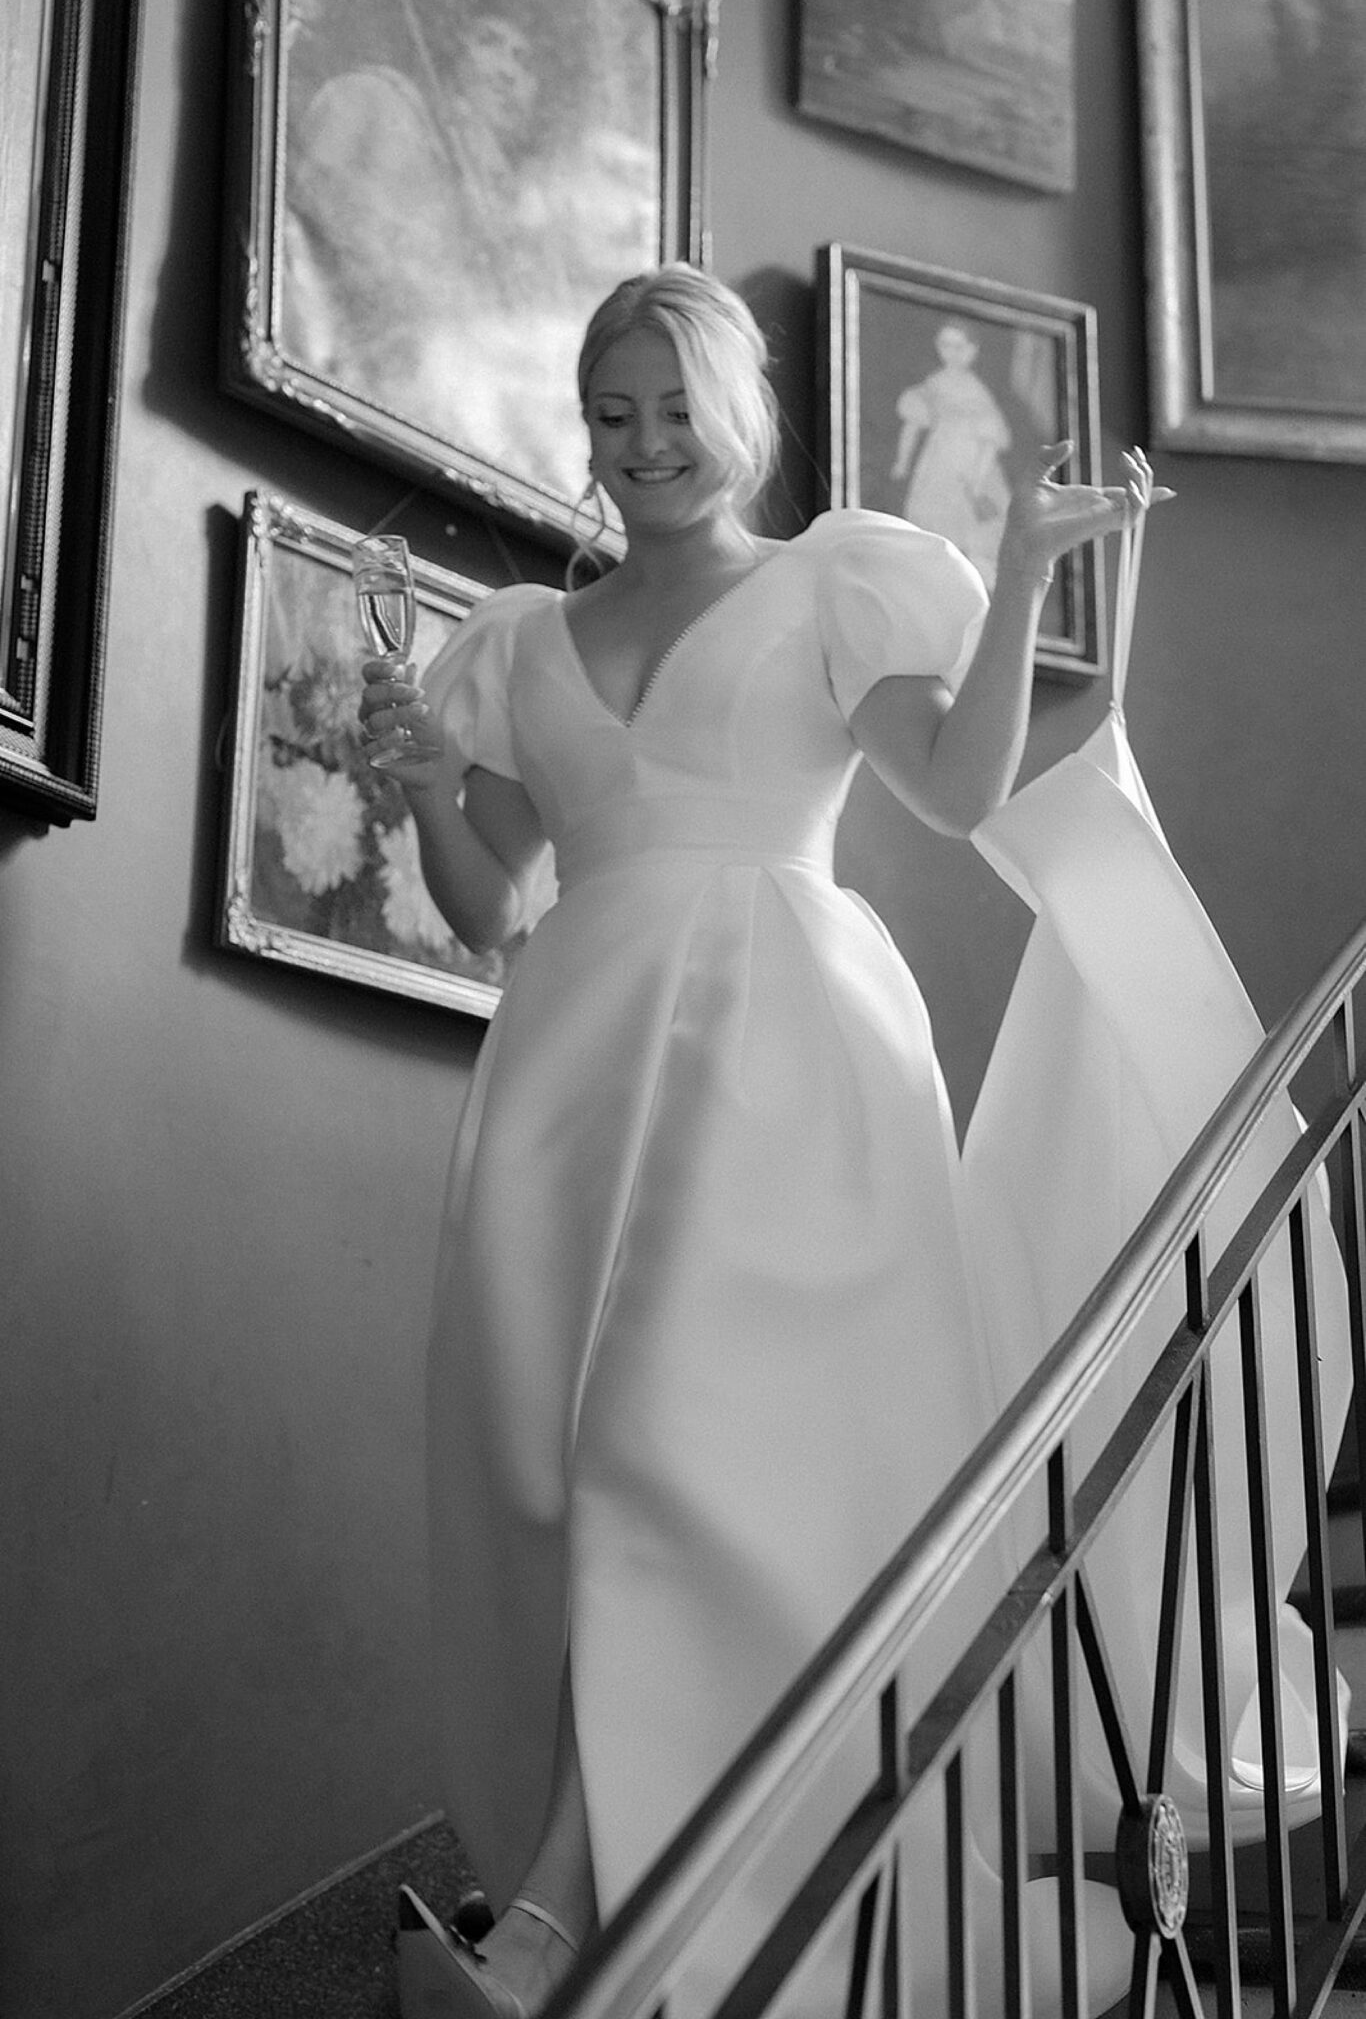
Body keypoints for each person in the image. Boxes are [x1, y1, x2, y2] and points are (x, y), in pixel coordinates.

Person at [359, 263, 1161, 2019]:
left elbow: (952, 791)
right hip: (570, 1074)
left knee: (666, 1452)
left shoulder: (828, 582)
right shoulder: (520, 638)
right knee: (569, 1486)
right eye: (612, 415)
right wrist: (422, 786)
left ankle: (552, 1933)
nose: (645, 445)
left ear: (740, 413)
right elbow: (488, 905)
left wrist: (1023, 572)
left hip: (785, 1062)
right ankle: (605, 1917)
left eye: (677, 408)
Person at [890, 320, 1013, 588]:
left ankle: (976, 586)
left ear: (973, 350)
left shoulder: (975, 391)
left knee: (975, 528)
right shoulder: (934, 383)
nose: (952, 353)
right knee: (934, 521)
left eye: (960, 346)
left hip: (973, 467)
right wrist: (902, 461)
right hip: (939, 461)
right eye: (946, 345)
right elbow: (913, 423)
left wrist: (977, 483)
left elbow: (990, 441)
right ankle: (934, 582)